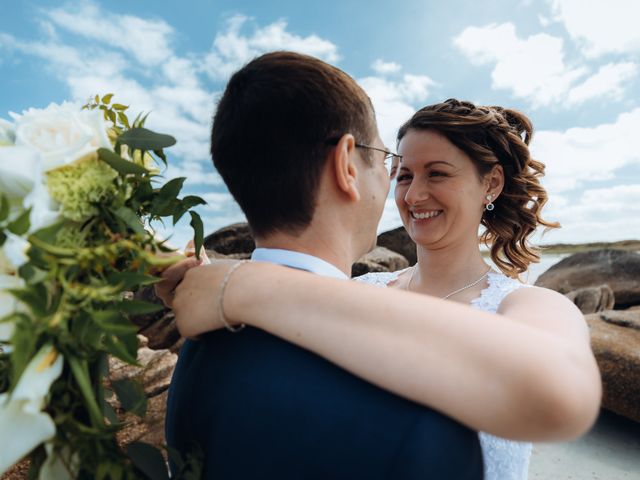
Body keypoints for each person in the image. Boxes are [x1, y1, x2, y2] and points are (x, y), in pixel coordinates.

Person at [160, 97, 602, 480]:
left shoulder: (531, 304)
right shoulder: (357, 289)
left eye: (438, 173)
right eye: (404, 175)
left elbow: (559, 389)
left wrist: (239, 285)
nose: (414, 195)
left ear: (491, 183)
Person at [162, 52, 485, 479]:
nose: (398, 188)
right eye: (389, 162)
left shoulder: (199, 341)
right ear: (347, 164)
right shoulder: (423, 403)